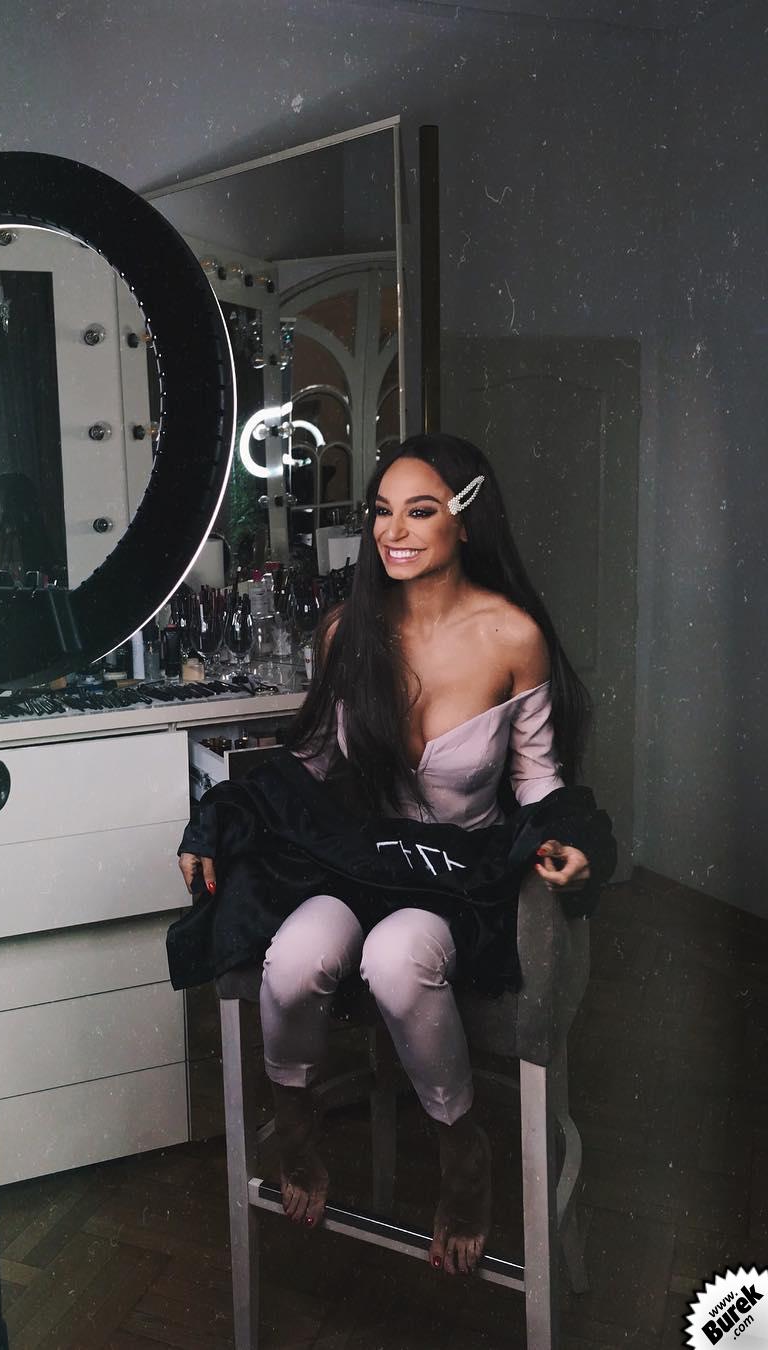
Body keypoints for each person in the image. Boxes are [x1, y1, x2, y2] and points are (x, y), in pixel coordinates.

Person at [178, 433, 596, 1276]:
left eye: (420, 511)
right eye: (381, 511)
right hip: (362, 861)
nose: (392, 531)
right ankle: (296, 1125)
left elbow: (541, 780)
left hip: (456, 877)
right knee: (293, 958)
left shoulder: (512, 636)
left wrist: (573, 841)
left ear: (466, 521)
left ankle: (461, 1152)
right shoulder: (348, 631)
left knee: (396, 959)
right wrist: (215, 819)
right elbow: (307, 765)